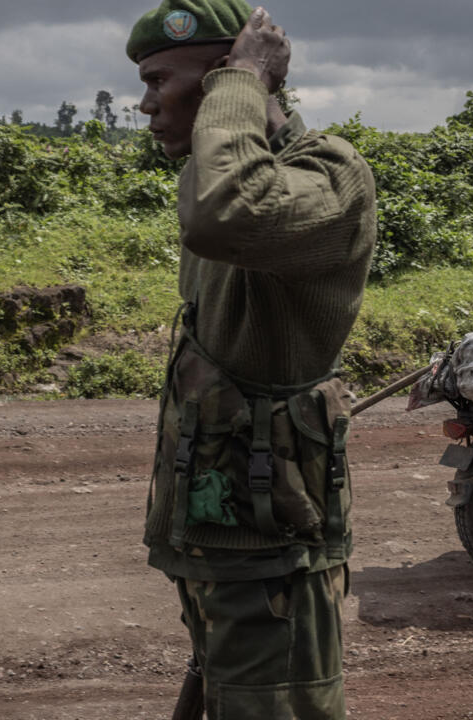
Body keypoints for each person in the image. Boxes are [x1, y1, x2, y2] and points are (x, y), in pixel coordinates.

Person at [127, 2, 376, 717]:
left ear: (220, 80)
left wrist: (243, 81)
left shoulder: (328, 176)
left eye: (156, 81)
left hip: (272, 556)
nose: (145, 105)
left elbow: (225, 210)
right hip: (226, 543)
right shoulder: (236, 171)